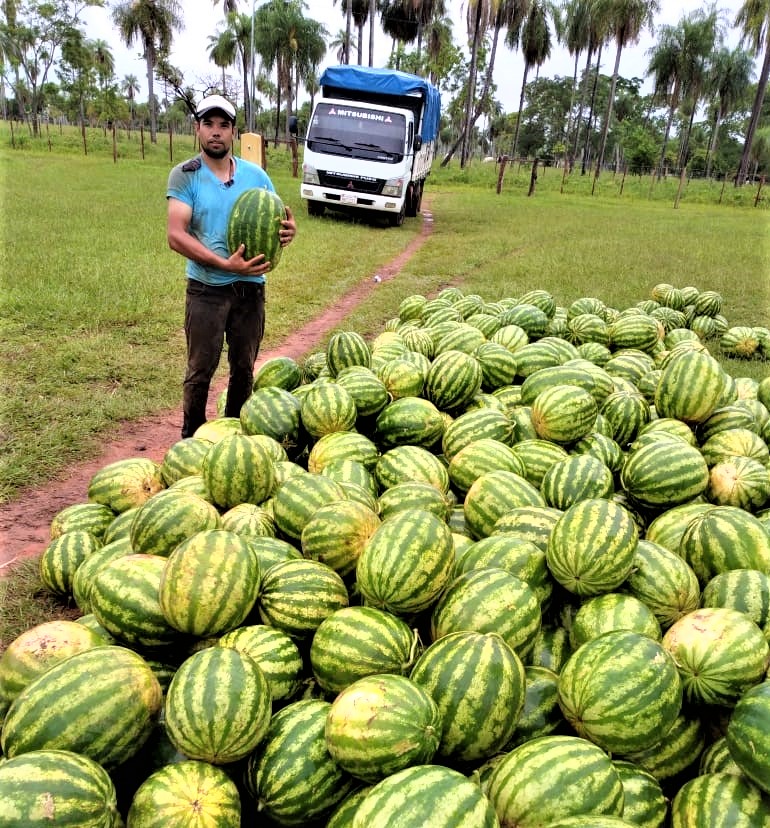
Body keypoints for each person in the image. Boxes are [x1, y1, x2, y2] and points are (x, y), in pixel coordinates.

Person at [166, 94, 297, 438]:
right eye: (208, 124)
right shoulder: (185, 176)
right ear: (198, 129)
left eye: (223, 125)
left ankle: (236, 434)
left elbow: (277, 221)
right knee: (200, 370)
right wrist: (225, 263)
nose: (215, 132)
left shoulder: (257, 176)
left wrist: (288, 233)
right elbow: (176, 235)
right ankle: (191, 437)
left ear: (233, 132)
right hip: (207, 289)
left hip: (250, 289)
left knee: (244, 369)